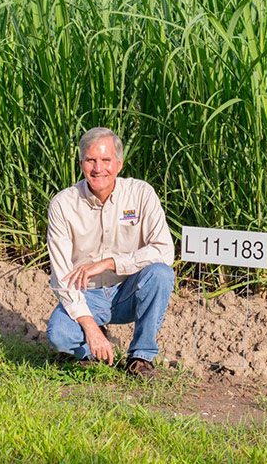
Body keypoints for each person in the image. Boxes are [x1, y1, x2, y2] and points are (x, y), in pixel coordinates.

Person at [45, 127, 175, 378]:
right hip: (87, 295)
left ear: (119, 164)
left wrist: (109, 263)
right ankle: (92, 347)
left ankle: (140, 357)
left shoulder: (141, 194)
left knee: (160, 274)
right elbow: (62, 276)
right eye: (91, 161)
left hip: (129, 291)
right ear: (81, 163)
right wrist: (90, 327)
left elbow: (164, 251)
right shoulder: (63, 204)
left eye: (105, 161)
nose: (98, 169)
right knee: (59, 336)